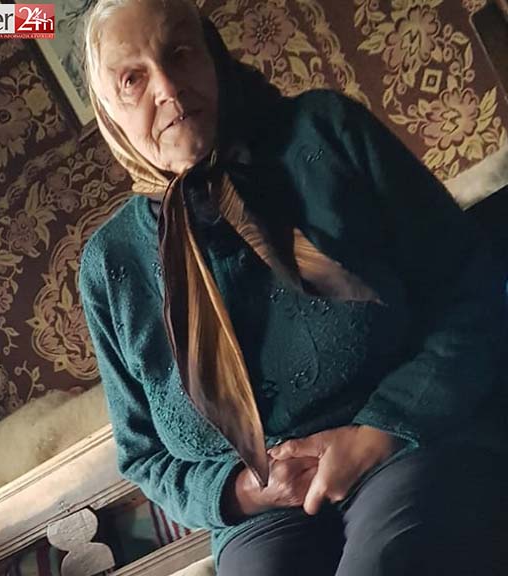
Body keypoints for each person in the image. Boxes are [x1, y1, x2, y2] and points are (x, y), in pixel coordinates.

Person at [77, 1, 507, 574]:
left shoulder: (325, 133)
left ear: (211, 53)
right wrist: (245, 491)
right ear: (107, 110)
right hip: (262, 513)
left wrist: (377, 433)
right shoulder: (110, 264)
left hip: (408, 441)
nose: (168, 88)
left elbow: (473, 288)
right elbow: (144, 456)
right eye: (132, 79)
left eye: (179, 53)